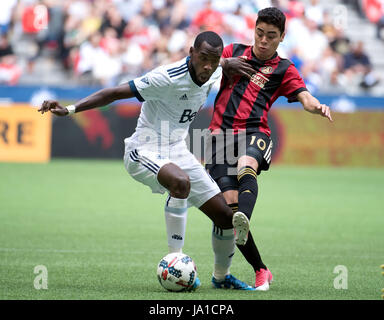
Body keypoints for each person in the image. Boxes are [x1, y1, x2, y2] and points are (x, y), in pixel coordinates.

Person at [38, 31, 256, 291]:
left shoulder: (214, 70)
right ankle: (175, 262)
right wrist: (71, 109)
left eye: (214, 59)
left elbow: (218, 66)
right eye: (203, 58)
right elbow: (115, 93)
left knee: (225, 217)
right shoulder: (166, 77)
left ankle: (222, 277)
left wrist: (225, 63)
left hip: (177, 150)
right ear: (191, 53)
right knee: (180, 182)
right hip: (143, 149)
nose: (207, 66)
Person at [206, 7, 333, 291]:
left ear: (282, 37)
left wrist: (317, 107)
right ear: (254, 30)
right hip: (219, 138)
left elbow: (305, 97)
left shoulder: (283, 69)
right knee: (228, 212)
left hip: (255, 133)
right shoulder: (232, 52)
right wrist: (225, 65)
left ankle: (243, 220)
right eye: (259, 33)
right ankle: (261, 269)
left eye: (271, 36)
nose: (263, 41)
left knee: (245, 166)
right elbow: (202, 66)